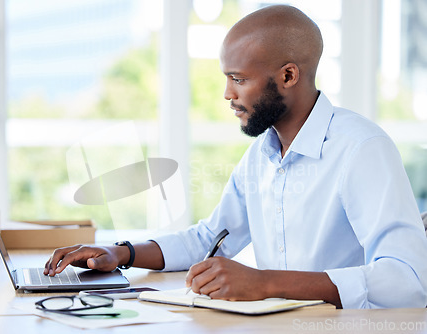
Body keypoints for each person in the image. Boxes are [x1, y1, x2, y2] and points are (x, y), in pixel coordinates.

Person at [44, 5, 427, 309]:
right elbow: (210, 239)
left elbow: (407, 281)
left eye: (239, 79)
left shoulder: (361, 149)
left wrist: (264, 282)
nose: (228, 94)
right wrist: (122, 253)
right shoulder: (263, 153)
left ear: (289, 76)